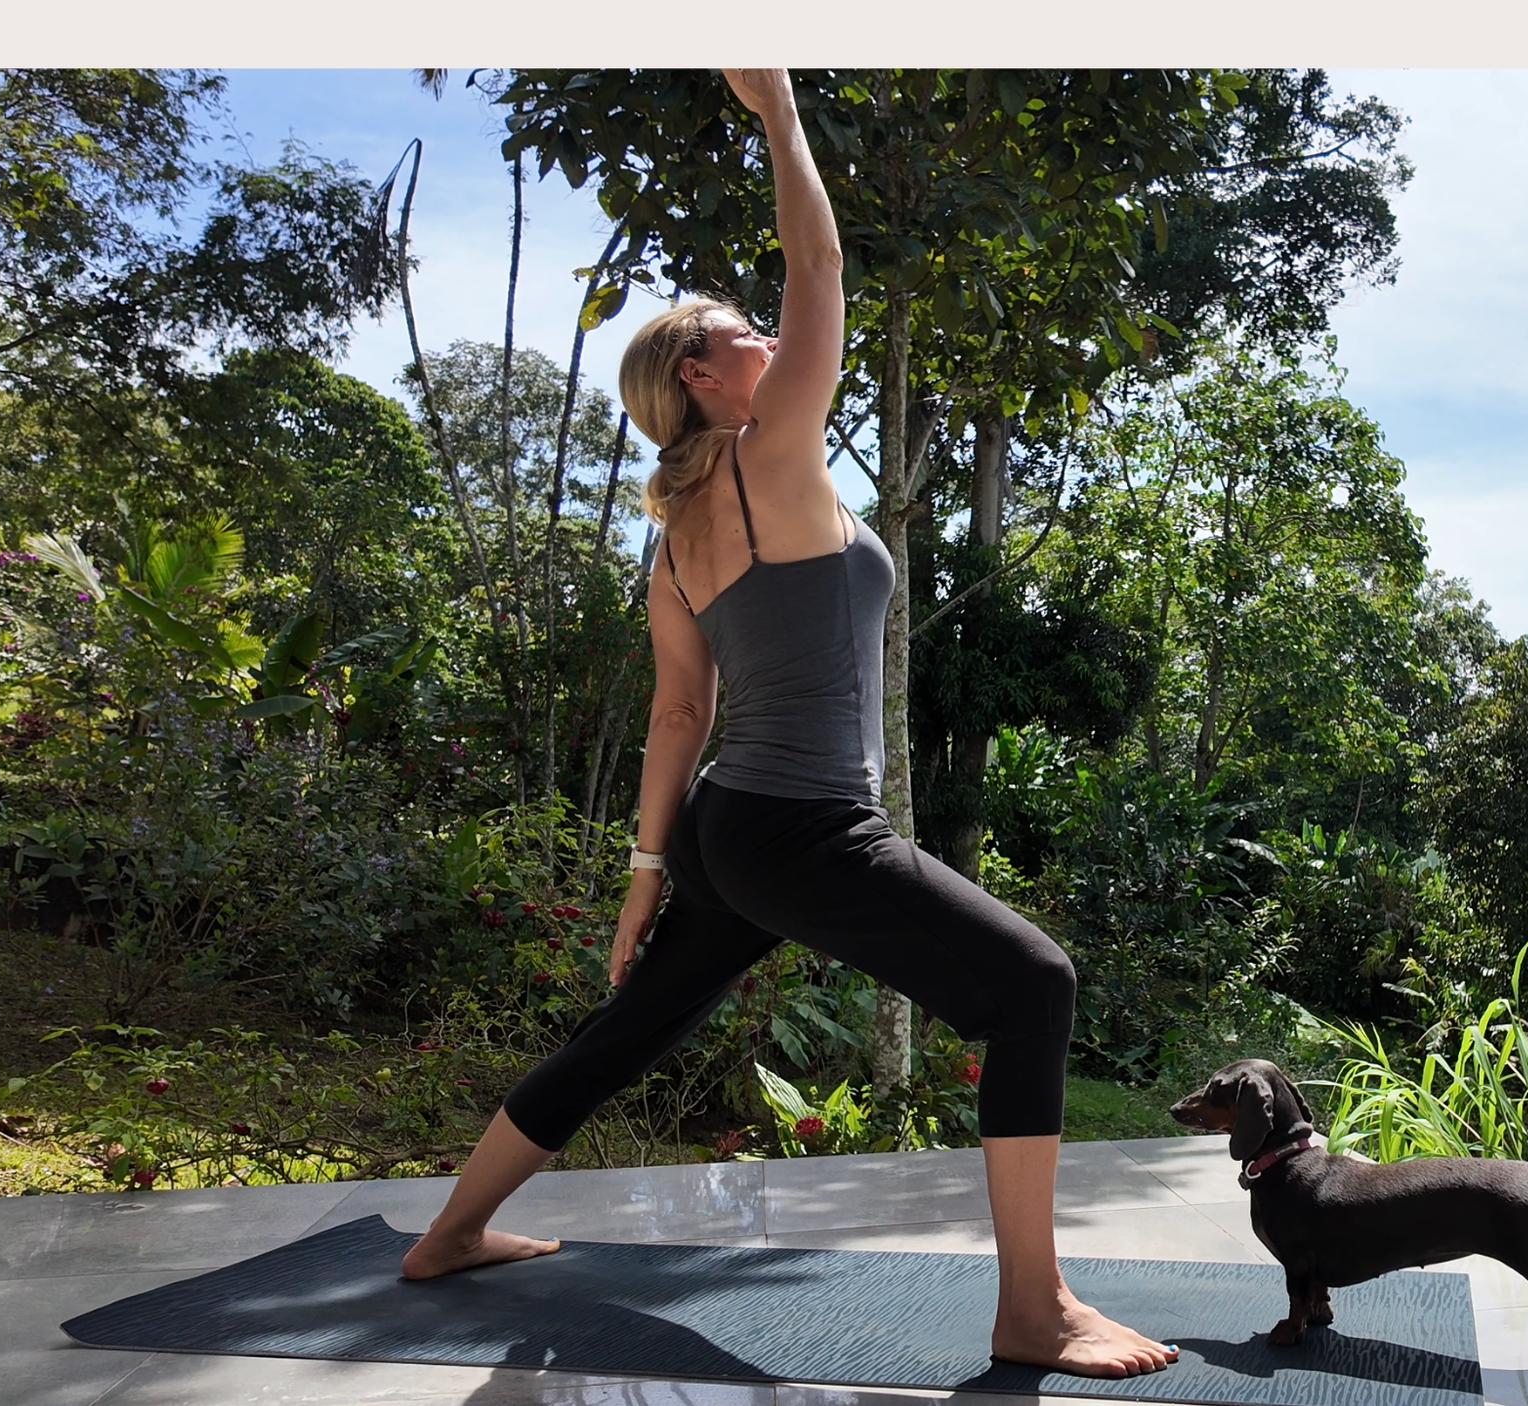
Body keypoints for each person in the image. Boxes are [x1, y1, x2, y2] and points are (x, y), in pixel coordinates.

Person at [398, 68, 1177, 1380]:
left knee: (630, 1028)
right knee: (1034, 984)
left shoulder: (678, 541)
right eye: (737, 326)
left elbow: (677, 714)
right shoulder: (772, 453)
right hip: (804, 826)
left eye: (760, 322)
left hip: (729, 828)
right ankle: (1033, 1310)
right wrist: (776, 107)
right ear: (701, 374)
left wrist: (651, 872)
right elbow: (819, 259)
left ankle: (452, 1232)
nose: (769, 329)